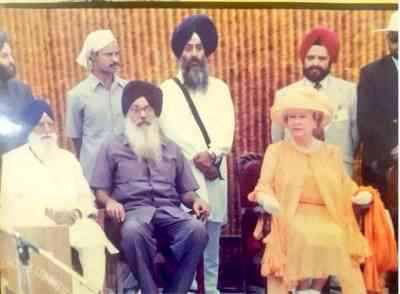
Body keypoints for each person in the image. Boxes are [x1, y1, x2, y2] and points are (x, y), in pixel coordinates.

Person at [91, 80, 209, 294]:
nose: (142, 115)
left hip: (169, 213)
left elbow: (186, 192)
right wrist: (110, 202)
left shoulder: (172, 148)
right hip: (131, 215)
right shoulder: (111, 147)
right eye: (135, 109)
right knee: (133, 232)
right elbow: (100, 191)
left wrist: (197, 201)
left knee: (197, 230)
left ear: (155, 112)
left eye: (147, 109)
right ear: (128, 113)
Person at [249, 87, 371, 294]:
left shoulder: (331, 152)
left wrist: (359, 194)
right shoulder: (276, 151)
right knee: (303, 235)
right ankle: (301, 288)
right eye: (291, 117)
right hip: (289, 212)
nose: (296, 122)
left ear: (315, 121)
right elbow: (263, 185)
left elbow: (345, 184)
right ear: (285, 122)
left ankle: (314, 289)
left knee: (335, 235)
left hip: (328, 214)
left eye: (302, 117)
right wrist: (266, 199)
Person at [0, 100, 115, 294]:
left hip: (71, 224)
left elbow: (85, 197)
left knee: (93, 236)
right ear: (29, 129)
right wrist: (49, 213)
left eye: (50, 124)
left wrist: (77, 212)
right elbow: (11, 202)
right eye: (40, 125)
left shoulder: (67, 159)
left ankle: (91, 292)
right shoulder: (13, 160)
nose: (47, 130)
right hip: (32, 225)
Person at [159, 14, 235, 293]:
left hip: (215, 173)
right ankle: (188, 287)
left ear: (207, 52)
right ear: (180, 52)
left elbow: (226, 128)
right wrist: (198, 157)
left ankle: (212, 288)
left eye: (199, 48)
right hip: (184, 176)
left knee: (212, 238)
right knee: (185, 237)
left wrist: (213, 155)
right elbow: (169, 132)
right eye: (188, 48)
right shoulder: (166, 91)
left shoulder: (220, 89)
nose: (193, 54)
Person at [271, 27, 358, 176]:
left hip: (338, 172)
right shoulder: (285, 95)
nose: (315, 63)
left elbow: (356, 135)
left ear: (331, 60)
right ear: (303, 59)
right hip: (297, 173)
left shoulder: (349, 92)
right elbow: (277, 139)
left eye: (322, 59)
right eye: (310, 58)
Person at [357, 11, 398, 294]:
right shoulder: (371, 73)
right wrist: (393, 149)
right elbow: (366, 122)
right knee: (388, 229)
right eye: (393, 38)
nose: (395, 44)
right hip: (385, 165)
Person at [65, 29, 127, 181]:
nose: (115, 59)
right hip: (94, 176)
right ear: (92, 57)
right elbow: (76, 139)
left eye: (116, 54)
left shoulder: (128, 90)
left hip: (125, 175)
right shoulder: (77, 95)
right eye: (108, 54)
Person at [0, 29, 34, 156]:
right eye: (4, 56)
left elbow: (33, 131)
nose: (12, 61)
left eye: (11, 55)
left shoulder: (22, 89)